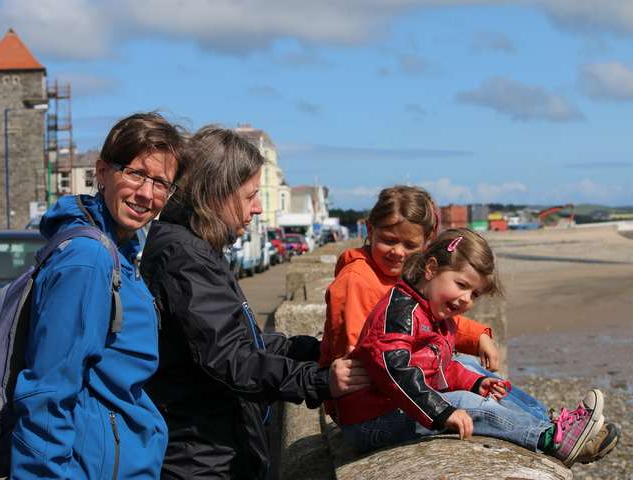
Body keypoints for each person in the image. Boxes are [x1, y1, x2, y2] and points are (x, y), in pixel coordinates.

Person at [140, 126, 371, 480]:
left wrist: (315, 350)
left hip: (208, 448)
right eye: (249, 196)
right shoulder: (184, 257)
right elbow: (229, 359)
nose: (259, 208)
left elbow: (241, 341)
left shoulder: (195, 248)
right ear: (215, 192)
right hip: (199, 458)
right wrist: (320, 381)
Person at [343, 228, 619, 466]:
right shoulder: (400, 313)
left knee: (484, 381)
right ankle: (550, 439)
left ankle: (553, 425)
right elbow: (396, 371)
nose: (465, 299)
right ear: (430, 269)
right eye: (461, 285)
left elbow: (442, 366)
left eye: (474, 294)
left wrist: (476, 382)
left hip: (399, 407)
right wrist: (443, 412)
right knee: (465, 403)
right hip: (373, 421)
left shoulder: (436, 314)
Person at [10, 112, 185, 478]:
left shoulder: (118, 251)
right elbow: (47, 391)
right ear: (102, 172)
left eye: (160, 183)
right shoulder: (88, 260)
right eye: (136, 173)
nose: (146, 194)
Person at [320, 186, 505, 421]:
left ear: (426, 245)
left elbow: (429, 321)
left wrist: (478, 336)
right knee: (469, 387)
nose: (398, 252)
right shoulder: (357, 280)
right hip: (374, 401)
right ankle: (541, 432)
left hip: (400, 382)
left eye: (409, 246)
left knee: (475, 371)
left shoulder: (404, 275)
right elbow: (362, 354)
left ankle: (546, 421)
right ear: (370, 229)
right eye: (389, 241)